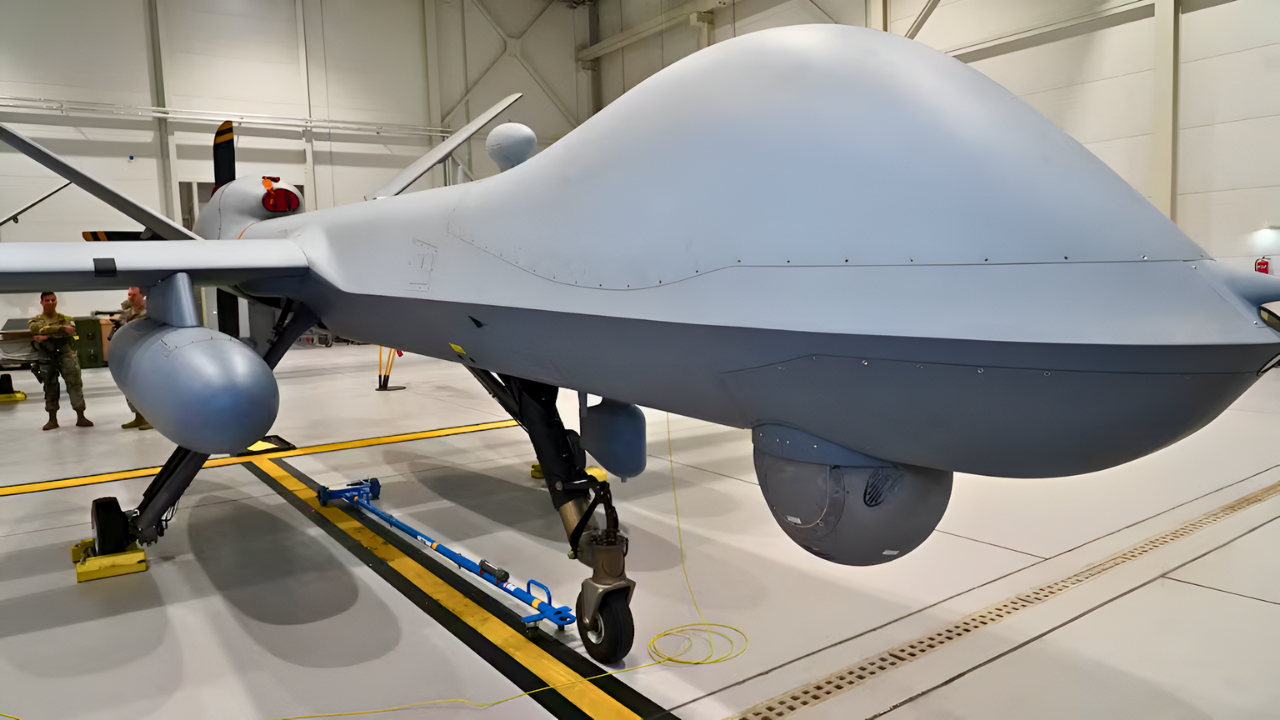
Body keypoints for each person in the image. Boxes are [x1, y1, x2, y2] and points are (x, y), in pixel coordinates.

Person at [29, 291, 92, 431]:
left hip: (66, 354)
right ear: (41, 302)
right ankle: (52, 419)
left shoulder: (66, 318)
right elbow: (38, 330)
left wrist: (47, 335)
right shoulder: (35, 321)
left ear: (56, 301)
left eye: (53, 300)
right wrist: (61, 329)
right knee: (50, 386)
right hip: (47, 356)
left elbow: (71, 331)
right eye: (47, 300)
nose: (50, 303)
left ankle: (81, 416)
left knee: (74, 384)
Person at [111, 287, 151, 430]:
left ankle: (151, 419)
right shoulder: (126, 314)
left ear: (142, 295)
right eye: (129, 295)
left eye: (134, 295)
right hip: (129, 352)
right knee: (130, 386)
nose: (131, 298)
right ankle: (138, 417)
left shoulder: (152, 312)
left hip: (146, 352)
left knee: (146, 386)